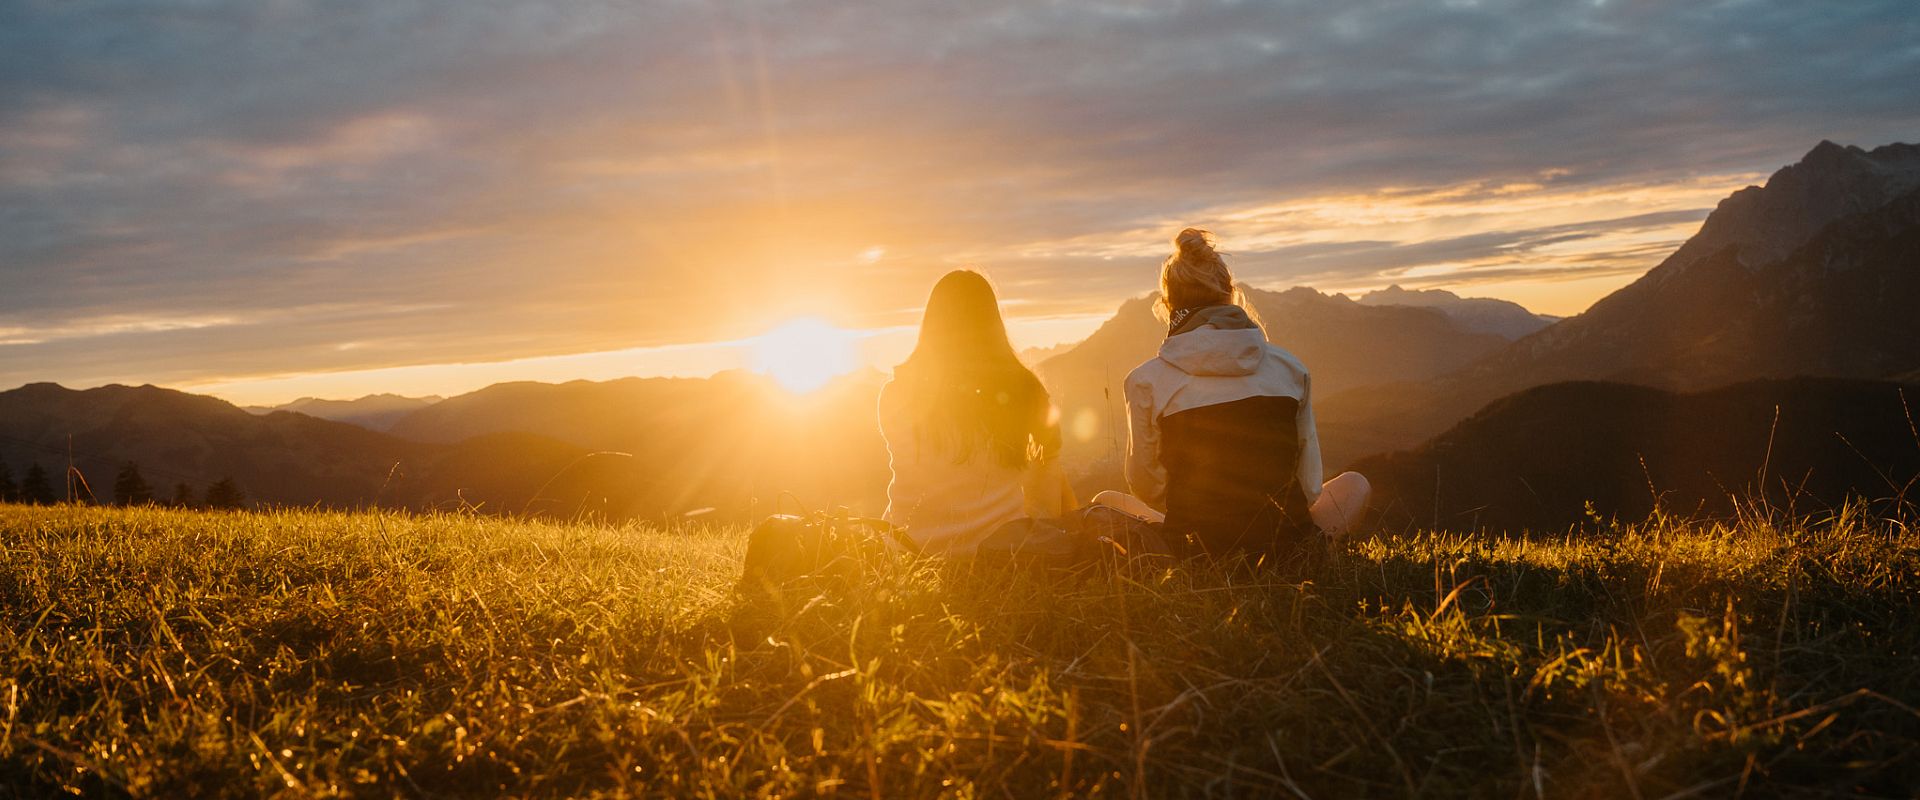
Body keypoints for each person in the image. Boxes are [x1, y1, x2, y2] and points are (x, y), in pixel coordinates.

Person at [1096, 228, 1369, 560]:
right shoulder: (1289, 368)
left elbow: (1147, 487)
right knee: (1356, 485)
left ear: (1168, 305)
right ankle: (1310, 552)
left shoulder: (1145, 381)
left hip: (1194, 550)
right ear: (1230, 295)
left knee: (1105, 501)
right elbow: (1310, 487)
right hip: (1282, 544)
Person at [880, 270, 1076, 555]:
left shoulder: (894, 393)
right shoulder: (1025, 392)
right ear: (993, 326)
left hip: (908, 551)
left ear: (931, 325)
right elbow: (1050, 467)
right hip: (998, 552)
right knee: (1051, 465)